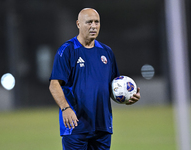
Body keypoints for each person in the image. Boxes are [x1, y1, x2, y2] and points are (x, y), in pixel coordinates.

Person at [49, 8, 141, 150]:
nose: (93, 26)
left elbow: (113, 87)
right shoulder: (67, 50)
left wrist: (128, 97)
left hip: (102, 126)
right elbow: (54, 84)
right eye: (89, 22)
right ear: (78, 24)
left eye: (96, 22)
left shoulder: (106, 52)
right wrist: (65, 108)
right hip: (75, 127)